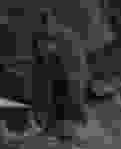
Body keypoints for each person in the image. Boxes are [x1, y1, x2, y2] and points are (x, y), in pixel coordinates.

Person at [32, 8, 89, 139]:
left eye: (47, 17)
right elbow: (39, 57)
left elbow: (73, 59)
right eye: (44, 18)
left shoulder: (63, 35)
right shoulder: (40, 36)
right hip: (51, 76)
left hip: (61, 75)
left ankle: (64, 128)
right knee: (53, 99)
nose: (46, 21)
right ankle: (56, 128)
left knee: (63, 99)